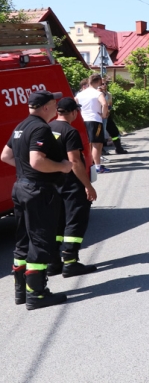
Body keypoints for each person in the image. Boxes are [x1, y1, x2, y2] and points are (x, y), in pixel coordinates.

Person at [1, 90, 72, 309]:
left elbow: (5, 156)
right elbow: (37, 161)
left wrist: (26, 170)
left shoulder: (21, 126)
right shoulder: (41, 128)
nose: (56, 106)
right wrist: (62, 167)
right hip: (38, 190)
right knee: (40, 240)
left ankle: (21, 292)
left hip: (21, 187)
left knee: (23, 240)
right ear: (46, 107)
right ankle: (37, 295)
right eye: (54, 103)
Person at [48, 98, 98, 278]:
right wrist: (88, 186)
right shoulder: (70, 131)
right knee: (75, 221)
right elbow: (75, 161)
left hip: (53, 183)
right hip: (71, 184)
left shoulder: (48, 128)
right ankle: (70, 262)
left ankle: (53, 262)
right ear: (73, 112)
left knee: (57, 222)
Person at [76, 74, 110, 174]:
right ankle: (97, 166)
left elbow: (74, 103)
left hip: (83, 120)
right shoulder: (97, 93)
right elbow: (105, 104)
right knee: (97, 144)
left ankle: (89, 165)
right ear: (99, 81)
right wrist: (103, 115)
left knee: (88, 143)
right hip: (95, 120)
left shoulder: (80, 94)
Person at [101, 80, 127, 155]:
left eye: (106, 83)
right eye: (102, 84)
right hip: (99, 116)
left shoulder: (108, 94)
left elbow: (110, 105)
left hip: (107, 115)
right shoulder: (97, 94)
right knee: (100, 134)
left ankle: (118, 148)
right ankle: (101, 150)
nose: (104, 85)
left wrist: (108, 111)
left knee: (114, 132)